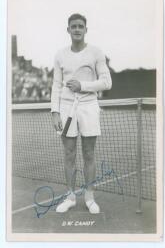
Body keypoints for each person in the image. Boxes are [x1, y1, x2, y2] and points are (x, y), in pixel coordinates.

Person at [50, 13, 112, 214]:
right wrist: (55, 111)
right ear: (68, 30)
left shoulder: (96, 52)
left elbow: (107, 82)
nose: (77, 29)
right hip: (67, 108)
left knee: (88, 153)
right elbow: (56, 85)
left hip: (89, 106)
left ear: (86, 29)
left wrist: (82, 85)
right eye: (73, 26)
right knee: (69, 154)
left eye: (80, 26)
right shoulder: (60, 54)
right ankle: (70, 197)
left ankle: (89, 197)